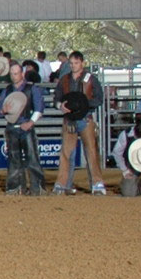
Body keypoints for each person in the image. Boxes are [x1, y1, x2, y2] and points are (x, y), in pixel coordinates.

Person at [53, 52, 106, 196]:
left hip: (85, 118)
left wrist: (83, 105)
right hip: (70, 119)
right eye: (71, 63)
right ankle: (62, 184)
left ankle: (97, 183)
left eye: (76, 63)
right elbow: (56, 98)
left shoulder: (91, 79)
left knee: (91, 151)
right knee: (66, 152)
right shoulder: (64, 80)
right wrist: (60, 106)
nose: (73, 65)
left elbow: (99, 98)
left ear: (82, 63)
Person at [0, 63, 45, 196]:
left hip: (26, 126)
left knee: (32, 157)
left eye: (16, 73)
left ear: (22, 74)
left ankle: (37, 187)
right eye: (12, 73)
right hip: (12, 127)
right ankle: (15, 186)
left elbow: (39, 108)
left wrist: (31, 122)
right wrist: (2, 110)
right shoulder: (7, 90)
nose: (14, 76)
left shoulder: (31, 88)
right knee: (14, 158)